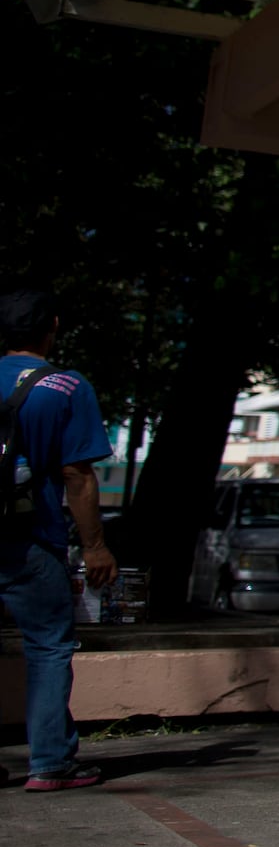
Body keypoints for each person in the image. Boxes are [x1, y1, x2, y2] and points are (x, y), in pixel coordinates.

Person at [1, 287, 117, 791]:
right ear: (51, 327)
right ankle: (49, 764)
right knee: (48, 647)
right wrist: (95, 546)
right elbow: (79, 477)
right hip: (29, 538)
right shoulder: (66, 387)